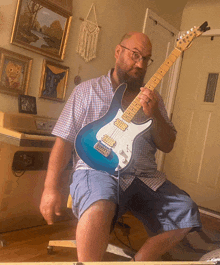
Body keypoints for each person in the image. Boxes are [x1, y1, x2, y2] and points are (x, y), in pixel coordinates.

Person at [40, 32, 202, 262]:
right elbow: (64, 140)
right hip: (97, 168)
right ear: (118, 52)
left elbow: (167, 145)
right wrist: (50, 188)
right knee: (99, 204)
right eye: (135, 55)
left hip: (144, 176)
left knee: (187, 209)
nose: (140, 64)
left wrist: (154, 113)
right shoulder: (86, 91)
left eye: (146, 59)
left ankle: (140, 260)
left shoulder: (155, 100)